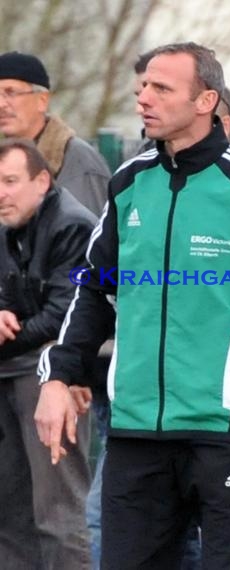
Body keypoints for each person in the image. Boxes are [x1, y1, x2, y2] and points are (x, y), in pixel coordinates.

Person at [34, 42, 230, 570]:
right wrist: (58, 377)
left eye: (161, 88)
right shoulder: (128, 182)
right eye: (142, 87)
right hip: (135, 434)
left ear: (205, 100)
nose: (143, 98)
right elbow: (95, 291)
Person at [0, 50, 112, 568]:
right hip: (17, 366)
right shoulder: (11, 202)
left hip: (54, 369)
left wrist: (72, 369)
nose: (1, 104)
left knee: (60, 514)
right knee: (13, 514)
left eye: (11, 92)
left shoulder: (77, 169)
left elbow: (83, 294)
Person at [0, 50, 110, 216]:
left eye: (11, 92)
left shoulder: (77, 160)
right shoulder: (7, 158)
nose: (1, 104)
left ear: (42, 100)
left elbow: (88, 235)